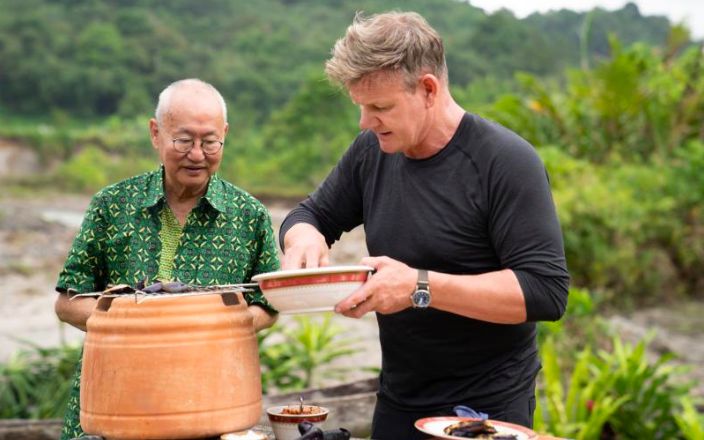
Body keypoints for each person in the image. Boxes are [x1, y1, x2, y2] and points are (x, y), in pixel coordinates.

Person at [279, 11, 570, 440]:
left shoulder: (505, 162)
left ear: (429, 89)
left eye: (380, 107)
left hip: (485, 408)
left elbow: (546, 291)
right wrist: (302, 234)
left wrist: (420, 286)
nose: (365, 122)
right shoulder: (371, 152)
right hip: (398, 400)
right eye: (361, 107)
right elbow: (312, 213)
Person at [54, 78, 280, 440]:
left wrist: (212, 327)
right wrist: (137, 326)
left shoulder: (249, 215)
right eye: (183, 140)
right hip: (115, 406)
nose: (196, 154)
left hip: (210, 407)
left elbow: (268, 305)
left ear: (225, 135)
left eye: (210, 142)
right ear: (156, 133)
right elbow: (68, 301)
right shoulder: (112, 204)